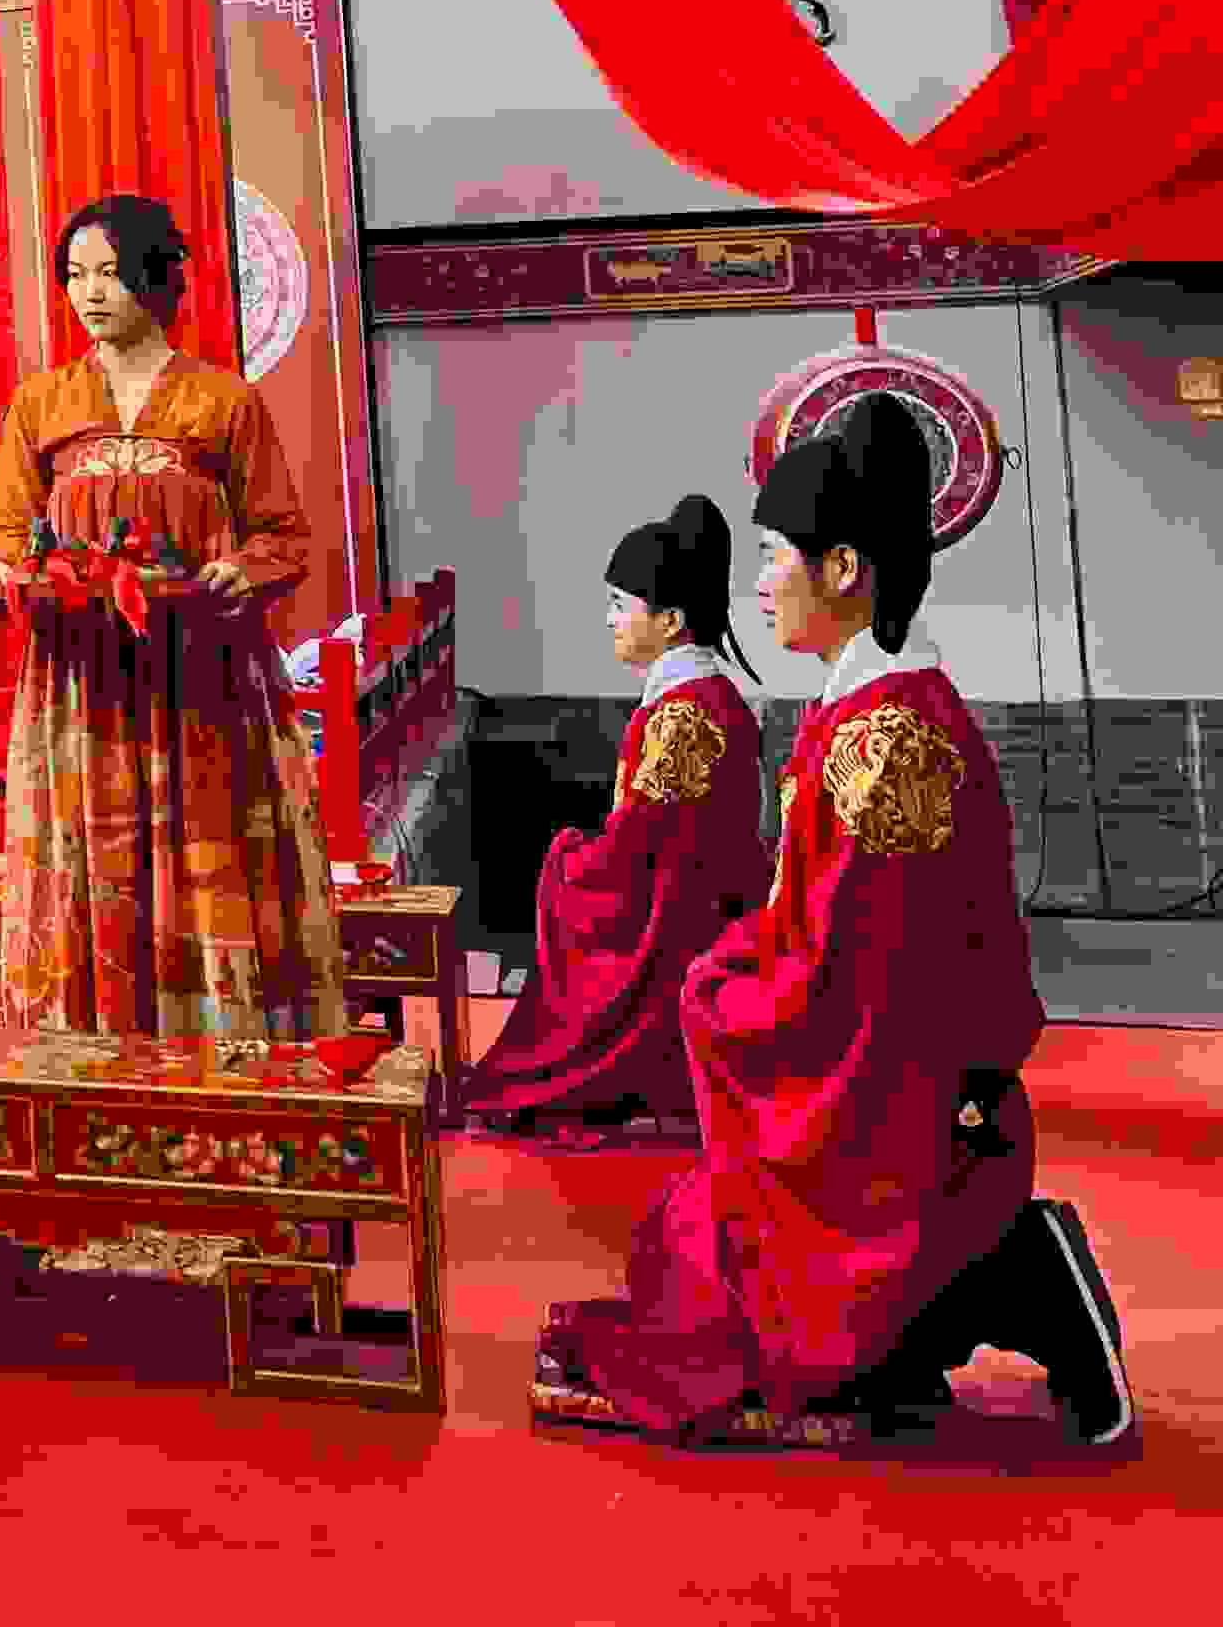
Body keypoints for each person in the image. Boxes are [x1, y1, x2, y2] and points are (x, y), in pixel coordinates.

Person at [534, 402, 1132, 1450]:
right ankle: (970, 1284)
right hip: (895, 1075)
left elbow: (861, 990)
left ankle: (1014, 1271)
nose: (762, 583)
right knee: (684, 1247)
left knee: (730, 1299)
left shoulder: (887, 740)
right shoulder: (862, 715)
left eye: (777, 556)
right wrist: (740, 960)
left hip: (899, 1109)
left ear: (845, 567)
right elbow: (823, 933)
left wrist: (718, 994)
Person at [0, 194, 345, 1041]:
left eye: (109, 273)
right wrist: (0, 574)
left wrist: (239, 570)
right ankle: (89, 1048)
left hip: (201, 677)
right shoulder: (41, 403)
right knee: (88, 848)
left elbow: (284, 536)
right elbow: (10, 533)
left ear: (154, 277)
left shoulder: (223, 401)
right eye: (76, 275)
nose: (90, 293)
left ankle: (217, 1045)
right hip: (81, 682)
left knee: (206, 844)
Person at [469, 496, 770, 1139]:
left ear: (670, 620)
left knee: (568, 877)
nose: (608, 619)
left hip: (681, 926)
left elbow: (639, 853)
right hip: (701, 904)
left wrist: (568, 858)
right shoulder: (702, 698)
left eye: (619, 604)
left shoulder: (686, 714)